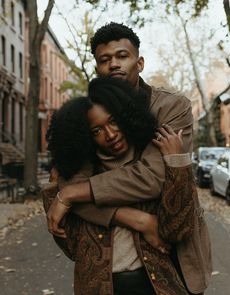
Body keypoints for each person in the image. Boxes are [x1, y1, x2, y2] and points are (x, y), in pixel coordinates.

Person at [45, 23, 212, 294]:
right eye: (104, 60)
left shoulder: (170, 106)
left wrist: (74, 193)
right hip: (110, 271)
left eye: (122, 56)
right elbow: (72, 187)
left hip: (174, 257)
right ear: (97, 69)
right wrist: (134, 217)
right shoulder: (87, 117)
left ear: (140, 62)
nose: (114, 65)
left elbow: (154, 176)